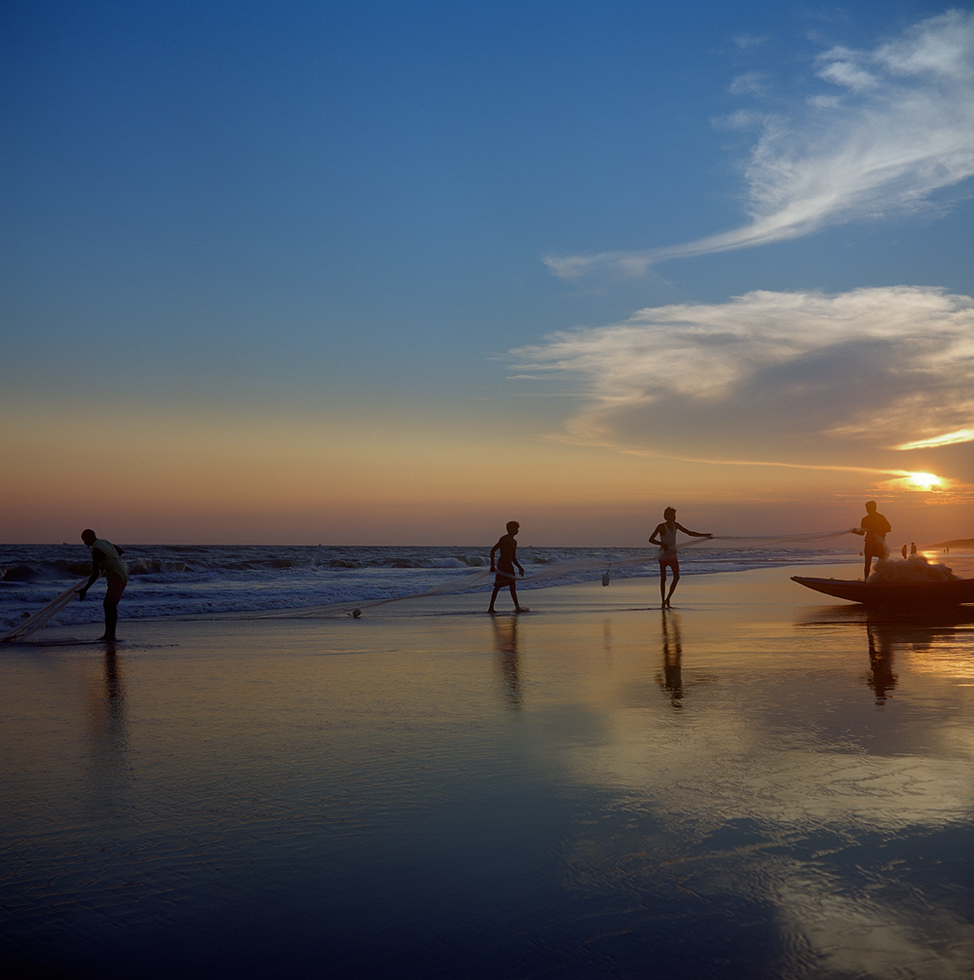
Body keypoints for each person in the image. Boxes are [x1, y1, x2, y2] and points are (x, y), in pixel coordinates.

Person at [648, 507, 712, 609]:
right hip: (663, 555)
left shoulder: (675, 525)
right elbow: (651, 539)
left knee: (677, 577)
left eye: (674, 515)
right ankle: (662, 602)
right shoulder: (661, 526)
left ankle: (668, 599)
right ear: (667, 516)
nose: (674, 517)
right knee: (663, 578)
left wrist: (705, 535)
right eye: (672, 515)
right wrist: (662, 544)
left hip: (672, 554)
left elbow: (689, 533)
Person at [79, 529, 128, 641]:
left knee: (110, 605)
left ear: (91, 537)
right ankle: (108, 634)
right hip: (119, 572)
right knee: (108, 605)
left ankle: (111, 635)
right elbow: (120, 551)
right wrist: (109, 562)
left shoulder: (96, 550)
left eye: (85, 540)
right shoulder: (104, 542)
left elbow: (94, 573)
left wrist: (85, 589)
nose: (84, 543)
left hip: (118, 574)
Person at [488, 521, 525, 613]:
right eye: (515, 528)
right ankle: (491, 608)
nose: (517, 531)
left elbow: (513, 557)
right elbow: (493, 550)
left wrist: (520, 567)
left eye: (517, 529)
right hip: (502, 564)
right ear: (509, 529)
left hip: (509, 564)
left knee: (512, 585)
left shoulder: (514, 542)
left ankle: (517, 607)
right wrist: (492, 565)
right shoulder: (504, 539)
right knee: (497, 586)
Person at [852, 501, 891, 579]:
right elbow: (862, 533)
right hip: (869, 543)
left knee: (881, 563)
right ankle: (866, 580)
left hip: (879, 544)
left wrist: (877, 529)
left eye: (869, 508)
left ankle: (881, 579)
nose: (867, 510)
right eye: (866, 508)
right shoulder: (865, 519)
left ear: (874, 508)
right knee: (867, 563)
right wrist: (855, 532)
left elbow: (888, 528)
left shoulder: (881, 517)